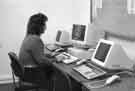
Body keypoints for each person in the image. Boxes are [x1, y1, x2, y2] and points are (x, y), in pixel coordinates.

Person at [19, 13, 55, 82]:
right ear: (39, 26)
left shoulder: (29, 36)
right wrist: (55, 60)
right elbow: (41, 61)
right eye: (44, 24)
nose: (46, 27)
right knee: (56, 69)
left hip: (26, 72)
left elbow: (36, 54)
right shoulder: (36, 39)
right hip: (32, 74)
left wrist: (48, 55)